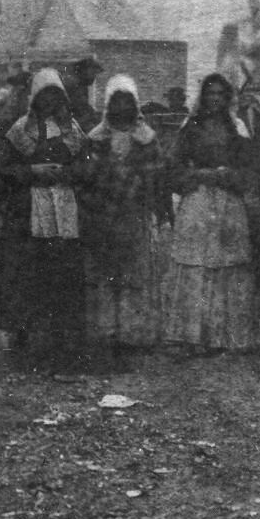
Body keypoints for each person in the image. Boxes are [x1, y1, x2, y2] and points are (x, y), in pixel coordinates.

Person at [0, 68, 91, 373]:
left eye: (55, 95)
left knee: (60, 269)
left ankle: (60, 337)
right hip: (27, 209)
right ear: (35, 98)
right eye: (44, 95)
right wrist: (32, 172)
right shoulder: (20, 130)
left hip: (62, 207)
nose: (50, 101)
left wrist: (67, 173)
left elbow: (87, 170)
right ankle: (22, 333)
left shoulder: (72, 130)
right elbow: (3, 172)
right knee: (26, 270)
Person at [164, 73, 260, 354]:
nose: (215, 99)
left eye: (220, 94)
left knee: (227, 264)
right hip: (198, 201)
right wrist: (198, 174)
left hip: (229, 202)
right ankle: (193, 337)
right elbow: (173, 166)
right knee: (196, 265)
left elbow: (251, 167)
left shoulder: (238, 127)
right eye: (210, 94)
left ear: (228, 97)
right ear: (203, 97)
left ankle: (225, 337)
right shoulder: (190, 127)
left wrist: (232, 175)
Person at [81, 75, 168, 365]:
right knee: (104, 273)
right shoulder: (95, 138)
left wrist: (140, 185)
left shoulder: (146, 138)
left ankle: (134, 334)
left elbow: (156, 173)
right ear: (108, 105)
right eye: (115, 102)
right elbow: (86, 177)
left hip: (134, 214)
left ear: (135, 104)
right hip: (104, 215)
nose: (121, 107)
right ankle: (105, 332)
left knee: (134, 274)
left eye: (126, 101)